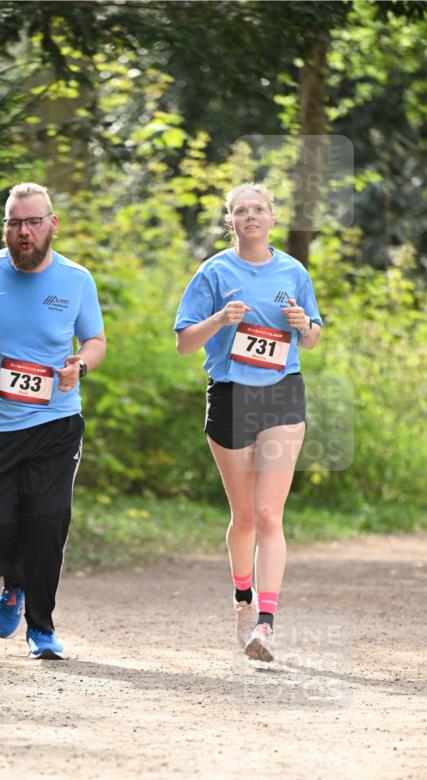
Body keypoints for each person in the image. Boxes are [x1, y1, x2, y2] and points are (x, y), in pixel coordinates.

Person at [0, 182, 105, 660]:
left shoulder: (76, 279)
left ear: (52, 224)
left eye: (33, 221)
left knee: (45, 523)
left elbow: (95, 340)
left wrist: (80, 365)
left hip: (55, 424)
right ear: (6, 227)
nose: (24, 231)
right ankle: (14, 580)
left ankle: (41, 629)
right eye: (15, 223)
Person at [174, 183, 322, 662]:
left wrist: (303, 325)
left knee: (268, 515)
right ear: (230, 222)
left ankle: (266, 625)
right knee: (242, 516)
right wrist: (219, 320)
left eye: (258, 209)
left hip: (282, 395)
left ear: (272, 218)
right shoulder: (214, 271)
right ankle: (243, 601)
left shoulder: (293, 271)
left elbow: (314, 337)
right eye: (241, 211)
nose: (250, 216)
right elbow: (184, 343)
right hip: (232, 395)